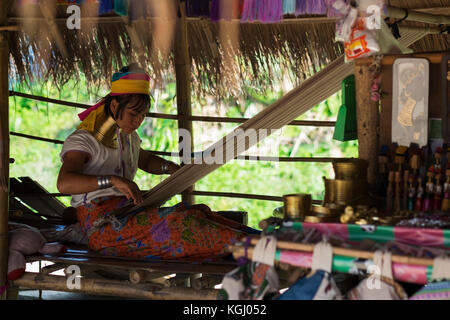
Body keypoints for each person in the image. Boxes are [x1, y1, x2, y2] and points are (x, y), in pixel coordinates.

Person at [57, 64, 251, 260]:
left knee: (195, 212)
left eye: (142, 116)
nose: (138, 121)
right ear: (115, 106)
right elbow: (64, 183)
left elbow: (146, 160)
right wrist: (113, 180)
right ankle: (254, 248)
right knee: (182, 224)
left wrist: (171, 169)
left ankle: (260, 239)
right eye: (134, 114)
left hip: (128, 214)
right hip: (104, 230)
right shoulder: (84, 140)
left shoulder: (127, 137)